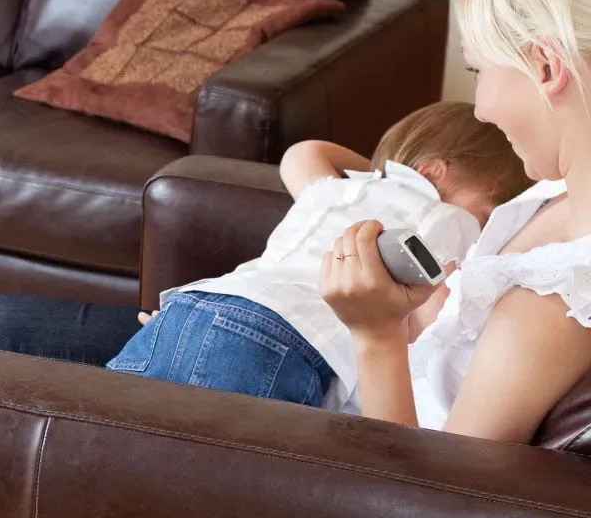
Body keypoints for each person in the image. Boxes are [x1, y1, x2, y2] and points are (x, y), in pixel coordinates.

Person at [0, 0, 591, 443]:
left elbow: (439, 495)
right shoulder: (555, 196)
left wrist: (374, 333)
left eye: (479, 73)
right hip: (260, 339)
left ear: (543, 66)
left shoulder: (551, 298)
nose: (478, 107)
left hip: (302, 422)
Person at [104, 101, 530, 411]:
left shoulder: (334, 191)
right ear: (434, 172)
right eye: (491, 209)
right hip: (285, 338)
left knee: (108, 444)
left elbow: (304, 152)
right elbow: (429, 321)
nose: (491, 223)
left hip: (193, 305)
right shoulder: (447, 218)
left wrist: (380, 173)